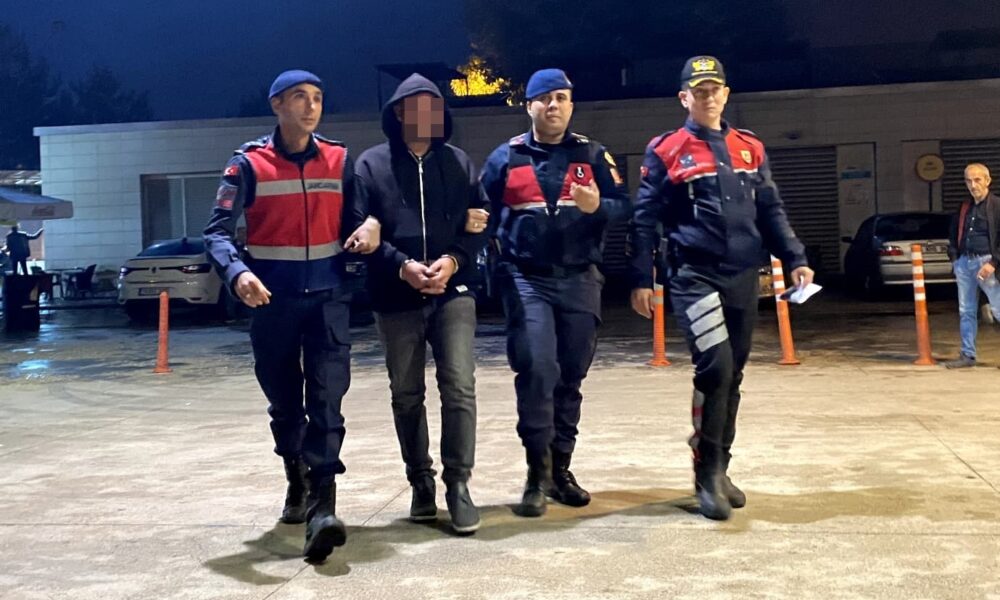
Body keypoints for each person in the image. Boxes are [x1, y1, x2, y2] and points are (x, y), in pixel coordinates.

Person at [204, 69, 379, 562]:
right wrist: (237, 273)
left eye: (318, 97)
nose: (311, 106)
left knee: (327, 402)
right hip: (272, 303)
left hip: (328, 300)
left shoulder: (339, 159)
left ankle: (324, 507)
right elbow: (216, 231)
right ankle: (296, 480)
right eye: (299, 97)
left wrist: (368, 228)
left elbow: (361, 217)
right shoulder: (248, 164)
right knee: (285, 404)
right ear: (277, 105)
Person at [629, 56, 813, 521]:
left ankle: (721, 466)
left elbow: (771, 209)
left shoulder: (749, 147)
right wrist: (641, 279)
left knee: (734, 375)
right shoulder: (667, 149)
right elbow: (645, 219)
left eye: (715, 89)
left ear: (726, 94)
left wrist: (795, 258)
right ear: (684, 98)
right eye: (699, 90)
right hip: (694, 276)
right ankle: (705, 473)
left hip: (743, 276)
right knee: (716, 367)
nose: (708, 97)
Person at [479, 68, 631, 517]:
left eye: (562, 97)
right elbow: (480, 212)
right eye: (545, 98)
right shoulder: (506, 157)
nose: (554, 106)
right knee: (537, 368)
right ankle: (535, 472)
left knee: (570, 374)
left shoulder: (593, 154)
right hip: (527, 280)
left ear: (571, 104)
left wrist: (597, 206)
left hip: (580, 278)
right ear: (529, 106)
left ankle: (559, 469)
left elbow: (625, 207)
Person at [354, 74, 488, 534]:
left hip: (453, 291)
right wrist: (402, 266)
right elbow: (359, 230)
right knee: (407, 393)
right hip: (395, 295)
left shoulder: (458, 162)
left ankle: (458, 485)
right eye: (417, 105)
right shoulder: (371, 165)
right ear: (398, 112)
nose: (429, 113)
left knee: (459, 385)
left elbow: (481, 222)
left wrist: (454, 260)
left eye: (435, 104)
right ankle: (421, 482)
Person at [943, 163, 1000, 368]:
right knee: (966, 311)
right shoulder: (964, 207)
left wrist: (993, 263)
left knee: (998, 309)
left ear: (987, 180)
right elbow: (954, 233)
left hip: (987, 264)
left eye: (977, 180)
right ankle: (967, 355)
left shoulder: (997, 206)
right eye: (968, 180)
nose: (973, 185)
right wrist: (955, 259)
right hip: (964, 263)